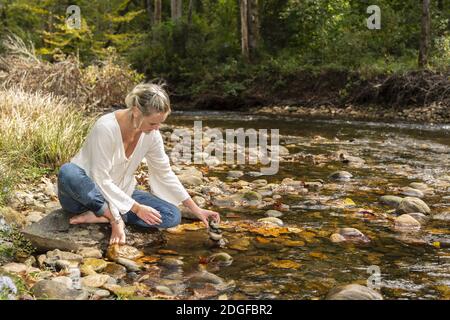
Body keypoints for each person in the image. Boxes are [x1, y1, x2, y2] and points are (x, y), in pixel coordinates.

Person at [57, 83, 220, 245]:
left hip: (122, 193)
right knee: (68, 172)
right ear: (136, 112)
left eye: (160, 123)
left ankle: (101, 216)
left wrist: (195, 209)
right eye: (152, 123)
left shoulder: (152, 135)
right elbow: (100, 178)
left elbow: (164, 172)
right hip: (85, 196)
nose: (157, 129)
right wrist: (133, 210)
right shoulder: (105, 128)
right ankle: (112, 217)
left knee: (172, 215)